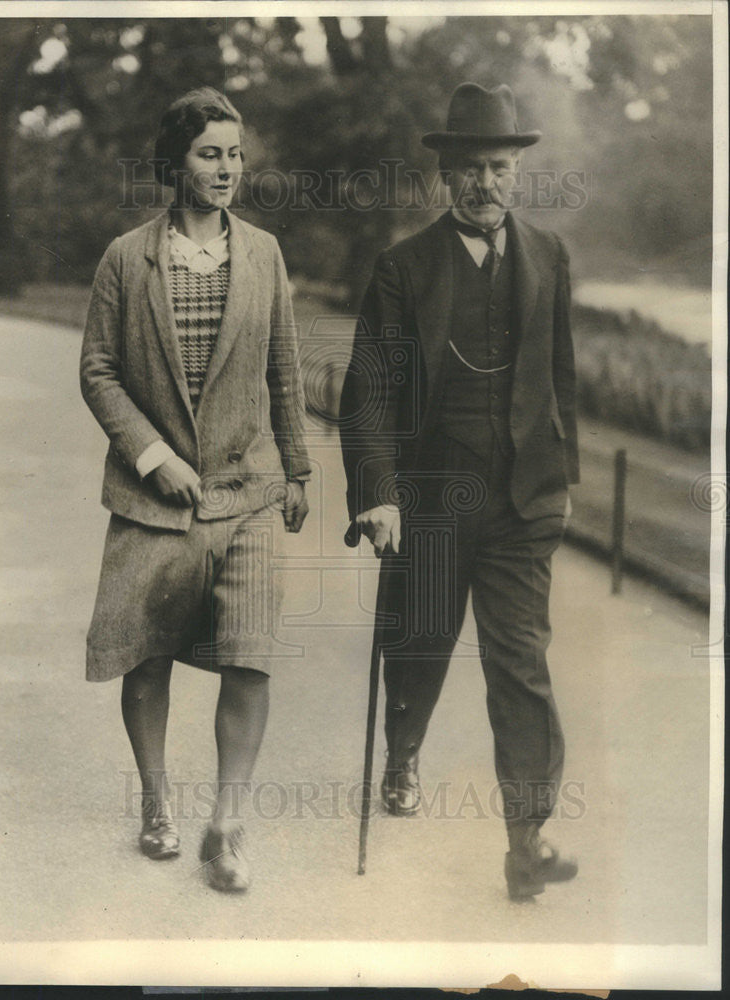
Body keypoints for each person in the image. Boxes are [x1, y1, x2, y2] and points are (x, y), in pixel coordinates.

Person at [340, 83, 579, 900]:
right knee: (421, 642)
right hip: (432, 501)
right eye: (472, 166)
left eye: (500, 165)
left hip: (521, 506)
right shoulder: (404, 268)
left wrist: (563, 478)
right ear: (447, 175)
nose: (487, 181)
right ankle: (403, 752)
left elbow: (562, 379)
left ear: (518, 170)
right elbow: (369, 390)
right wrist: (378, 493)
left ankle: (528, 836)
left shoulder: (548, 255)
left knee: (520, 662)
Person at [80, 86, 310, 893]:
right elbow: (98, 370)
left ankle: (229, 825)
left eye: (235, 154)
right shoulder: (125, 257)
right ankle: (155, 802)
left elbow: (283, 367)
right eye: (210, 154)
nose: (227, 169)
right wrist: (151, 455)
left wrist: (299, 468)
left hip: (246, 492)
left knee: (250, 659)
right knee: (147, 658)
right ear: (175, 163)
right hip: (154, 501)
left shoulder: (266, 254)